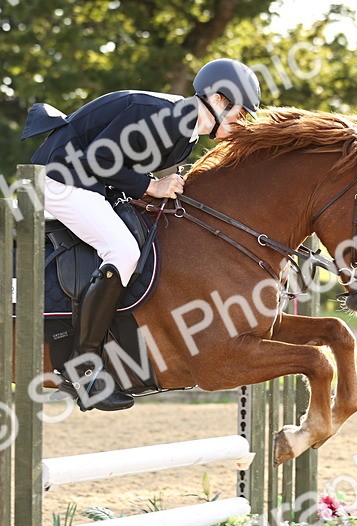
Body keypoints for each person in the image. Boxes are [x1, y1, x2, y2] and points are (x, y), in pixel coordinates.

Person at [23, 58, 261, 411]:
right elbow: (98, 159)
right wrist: (151, 185)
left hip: (90, 184)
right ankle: (83, 366)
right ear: (220, 100)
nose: (242, 124)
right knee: (122, 250)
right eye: (241, 114)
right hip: (59, 178)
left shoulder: (186, 133)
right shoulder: (165, 118)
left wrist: (149, 188)